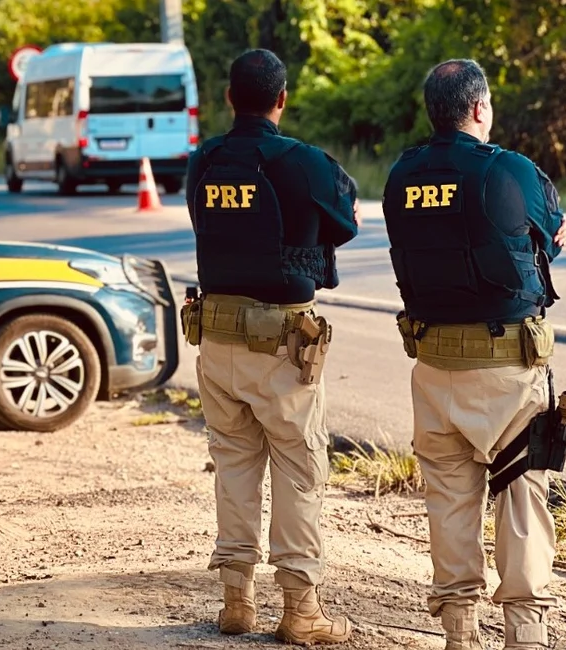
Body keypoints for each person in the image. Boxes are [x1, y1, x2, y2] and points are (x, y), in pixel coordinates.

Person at [382, 58, 566, 650]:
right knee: (522, 494)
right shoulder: (512, 172)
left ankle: (459, 633)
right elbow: (550, 236)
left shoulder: (400, 176)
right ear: (478, 108)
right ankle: (524, 633)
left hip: (434, 369)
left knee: (448, 501)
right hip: (507, 372)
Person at [182, 48, 359, 645]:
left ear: (230, 98)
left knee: (233, 465)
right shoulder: (303, 162)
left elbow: (202, 224)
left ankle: (237, 601)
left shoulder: (204, 160)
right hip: (283, 346)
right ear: (282, 99)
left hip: (216, 339)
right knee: (299, 468)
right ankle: (300, 611)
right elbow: (346, 220)